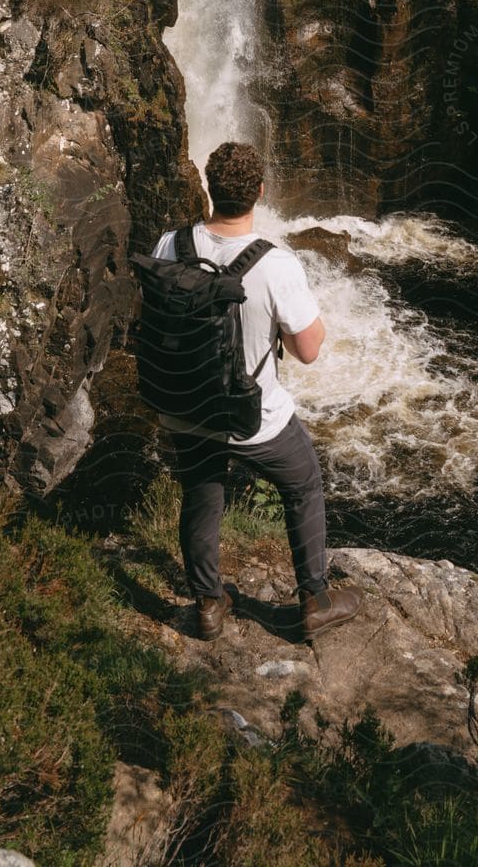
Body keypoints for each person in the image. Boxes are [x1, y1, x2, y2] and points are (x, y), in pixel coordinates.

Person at [151, 140, 362, 644]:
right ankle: (314, 597)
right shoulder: (275, 264)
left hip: (185, 405)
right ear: (260, 193)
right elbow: (308, 350)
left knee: (202, 496)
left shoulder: (169, 245)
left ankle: (207, 605)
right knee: (304, 482)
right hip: (254, 418)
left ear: (209, 188)